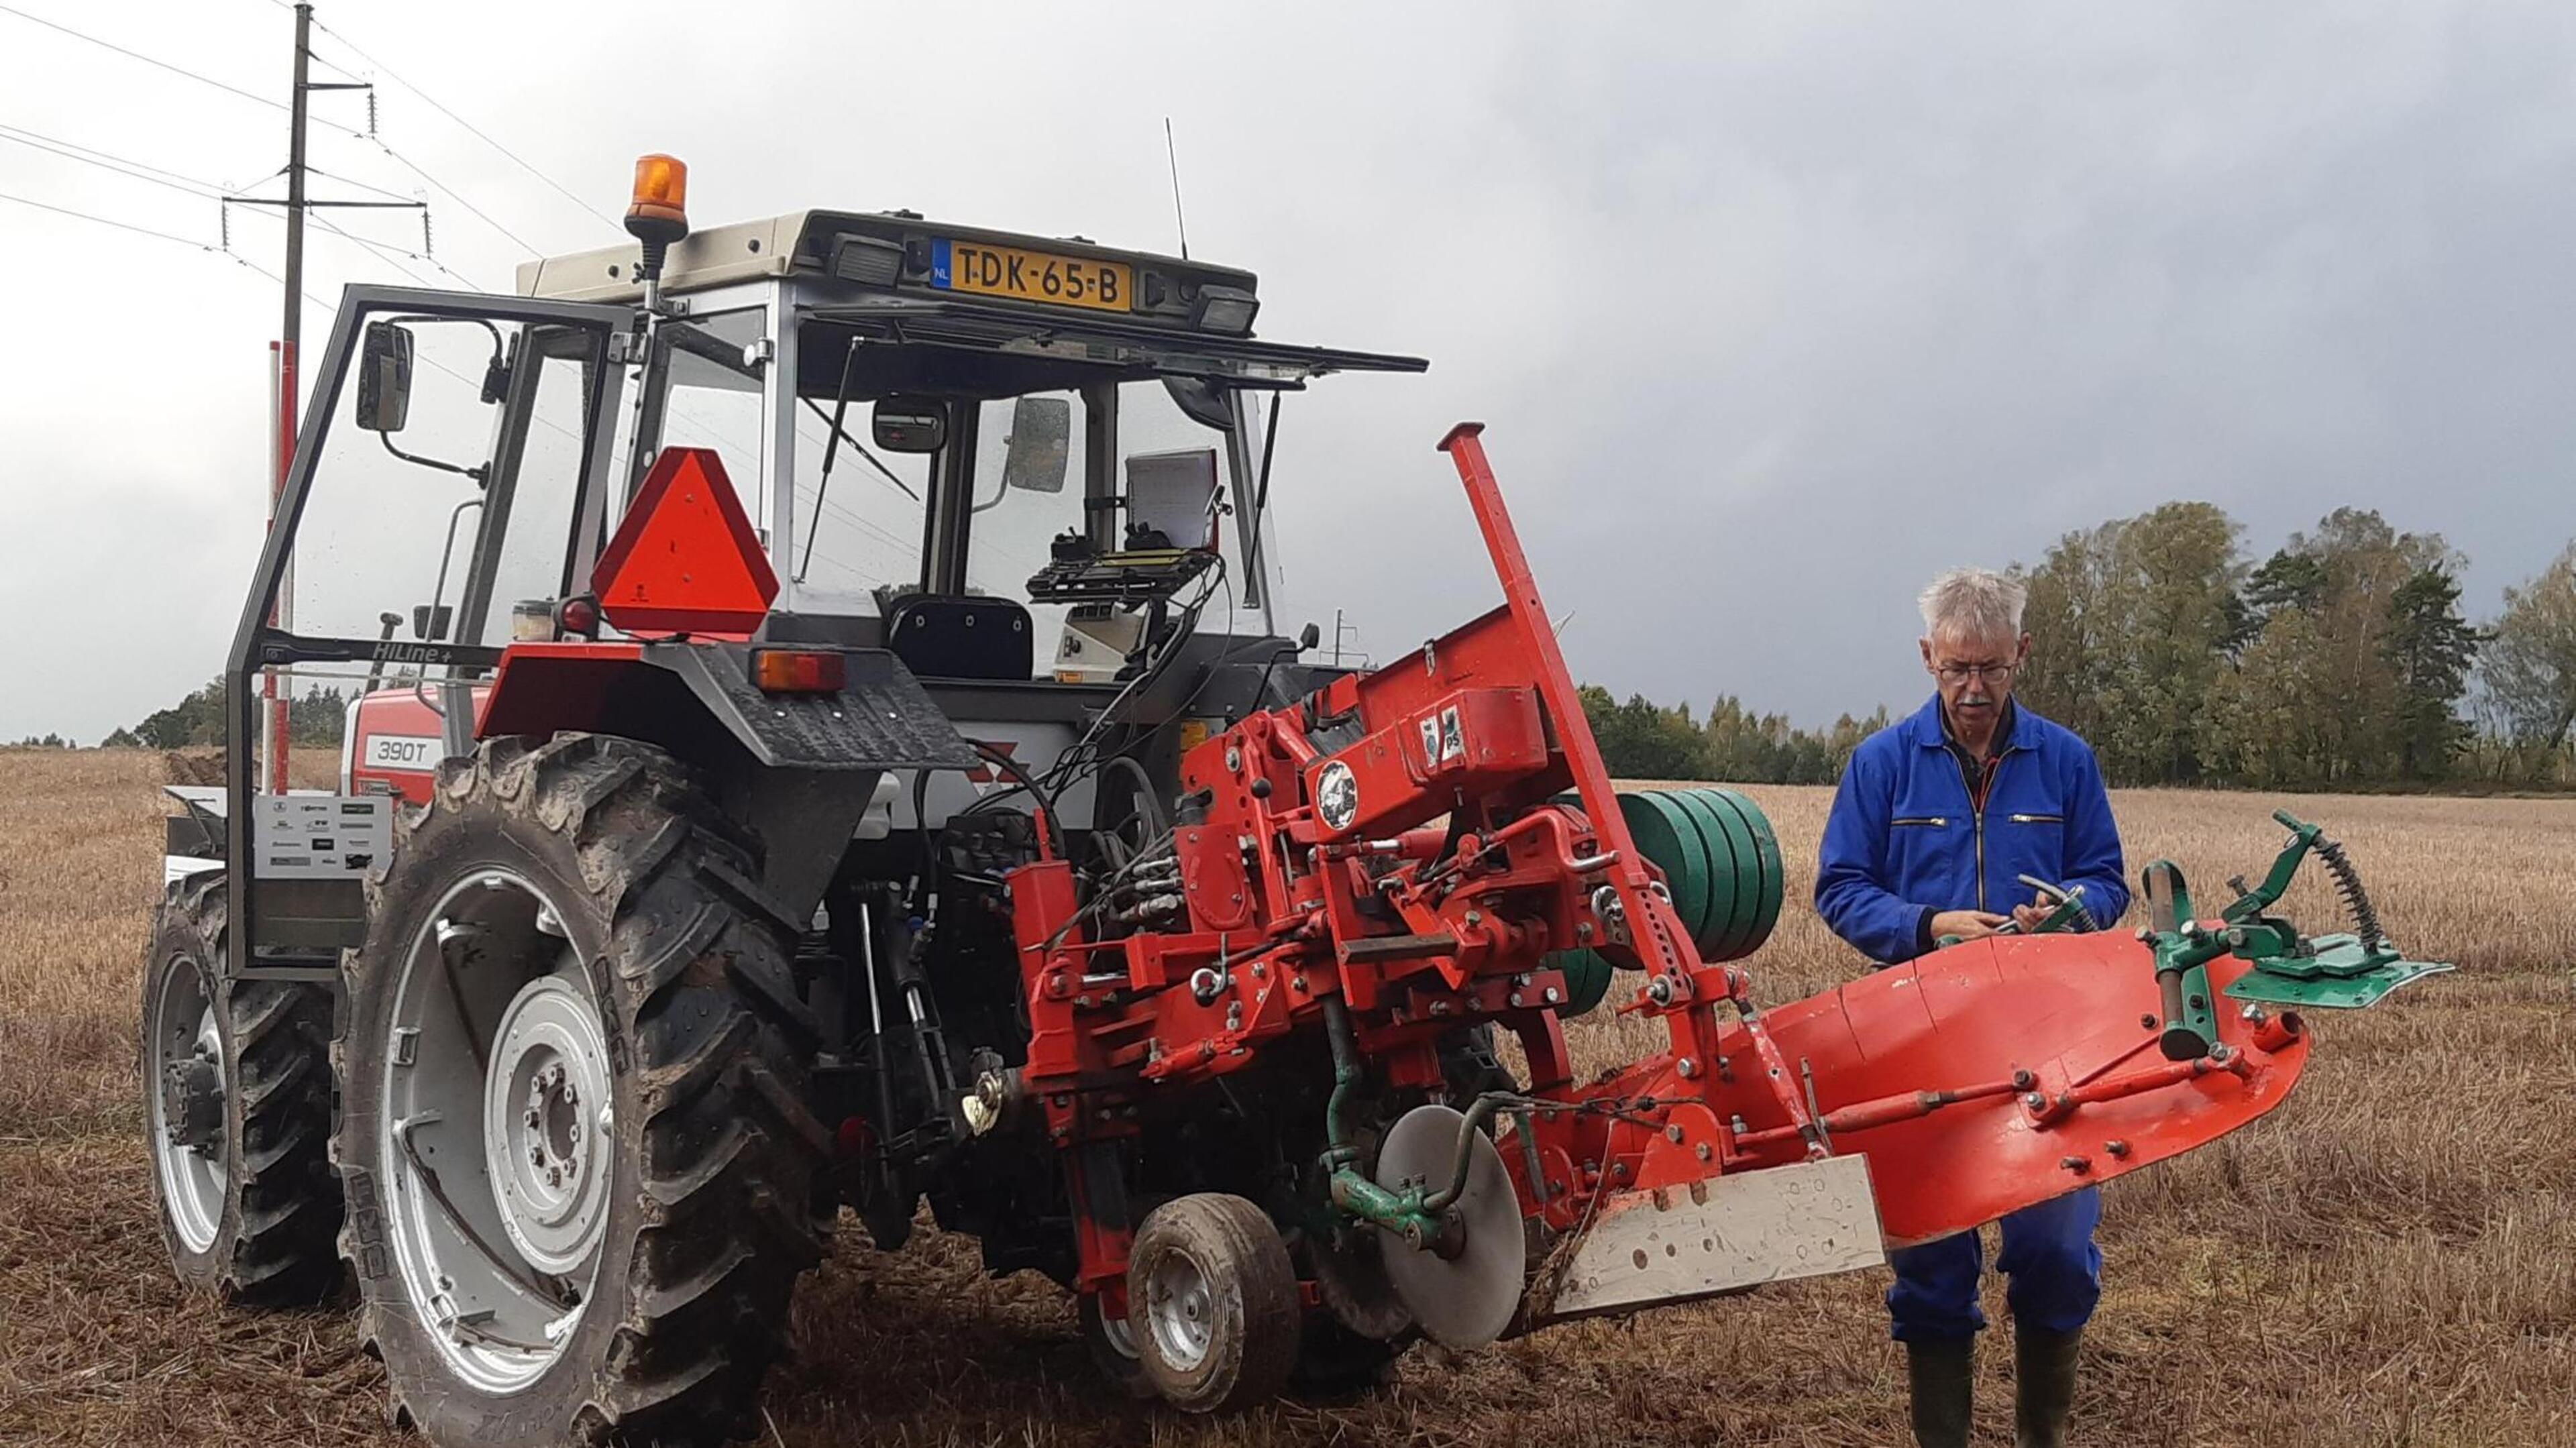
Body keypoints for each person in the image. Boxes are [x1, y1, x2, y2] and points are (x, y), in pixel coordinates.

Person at [1815, 566, 2130, 1448]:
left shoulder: (2066, 761)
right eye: (1957, 669)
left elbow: (2108, 882)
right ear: (1927, 659)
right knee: (1932, 1264)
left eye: (1992, 667)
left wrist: (2068, 913)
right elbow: (1839, 888)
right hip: (1921, 1044)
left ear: (2022, 655)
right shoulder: (1881, 766)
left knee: (2057, 1252)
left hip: (2049, 1044)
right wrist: (1925, 923)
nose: (1975, 689)